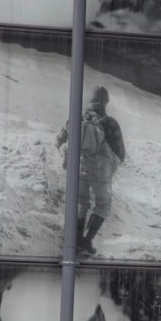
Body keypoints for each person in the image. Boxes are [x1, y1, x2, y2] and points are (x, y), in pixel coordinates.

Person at [56, 86, 126, 255]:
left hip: (78, 168)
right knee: (103, 204)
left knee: (81, 203)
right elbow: (120, 151)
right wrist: (112, 166)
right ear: (105, 102)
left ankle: (77, 241)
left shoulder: (76, 118)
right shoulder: (110, 123)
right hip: (101, 172)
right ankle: (87, 241)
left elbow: (59, 141)